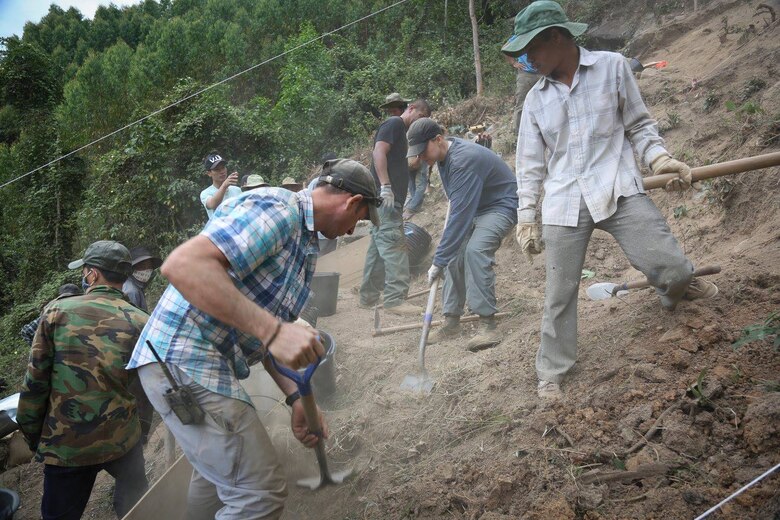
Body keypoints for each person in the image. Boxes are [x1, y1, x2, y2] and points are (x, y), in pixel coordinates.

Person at [127, 159, 382, 519]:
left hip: (191, 359)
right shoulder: (279, 209)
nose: (353, 228)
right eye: (360, 219)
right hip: (184, 355)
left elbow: (264, 335)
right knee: (259, 493)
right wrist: (275, 330)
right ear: (352, 202)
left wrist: (294, 397)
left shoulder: (303, 245)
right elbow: (183, 266)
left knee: (217, 481)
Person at [502, 1, 718, 399]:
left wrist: (660, 158)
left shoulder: (613, 67)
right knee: (560, 294)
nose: (527, 60)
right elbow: (530, 166)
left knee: (673, 269)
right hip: (564, 202)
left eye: (531, 49)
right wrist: (527, 216)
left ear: (556, 36)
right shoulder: (535, 100)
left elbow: (638, 125)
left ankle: (675, 288)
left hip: (616, 187)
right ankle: (552, 370)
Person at [17, 241, 149, 520]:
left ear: (92, 274)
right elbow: (145, 387)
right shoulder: (140, 320)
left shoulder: (56, 313)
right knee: (139, 506)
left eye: (86, 270)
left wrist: (33, 434)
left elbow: (35, 382)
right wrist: (142, 433)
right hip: (122, 439)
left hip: (66, 444)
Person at [408, 118, 518, 351]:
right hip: (476, 206)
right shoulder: (443, 155)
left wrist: (437, 260)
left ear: (438, 139)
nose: (419, 158)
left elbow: (459, 217)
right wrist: (444, 257)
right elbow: (459, 209)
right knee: (453, 254)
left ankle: (488, 326)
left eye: (421, 151)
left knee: (474, 251)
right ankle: (451, 322)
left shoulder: (462, 160)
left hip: (500, 206)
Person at [359, 98, 432, 315]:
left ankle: (368, 296)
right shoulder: (394, 124)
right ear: (411, 109)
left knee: (377, 247)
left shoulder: (400, 131)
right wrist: (386, 186)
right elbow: (378, 152)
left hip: (385, 200)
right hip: (387, 198)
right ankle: (395, 299)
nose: (419, 122)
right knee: (395, 247)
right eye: (420, 117)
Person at [122, 246, 162, 444]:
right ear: (134, 268)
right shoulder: (131, 290)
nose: (147, 270)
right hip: (135, 348)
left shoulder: (136, 288)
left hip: (137, 347)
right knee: (141, 393)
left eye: (149, 265)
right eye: (142, 266)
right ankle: (142, 436)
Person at [200, 152, 242, 220]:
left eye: (223, 168)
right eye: (217, 169)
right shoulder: (205, 193)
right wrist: (224, 185)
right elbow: (212, 204)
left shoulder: (237, 190)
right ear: (209, 173)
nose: (222, 171)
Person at [403, 155, 429, 220]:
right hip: (415, 159)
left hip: (409, 159)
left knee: (413, 184)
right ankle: (412, 208)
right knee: (419, 186)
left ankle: (414, 206)